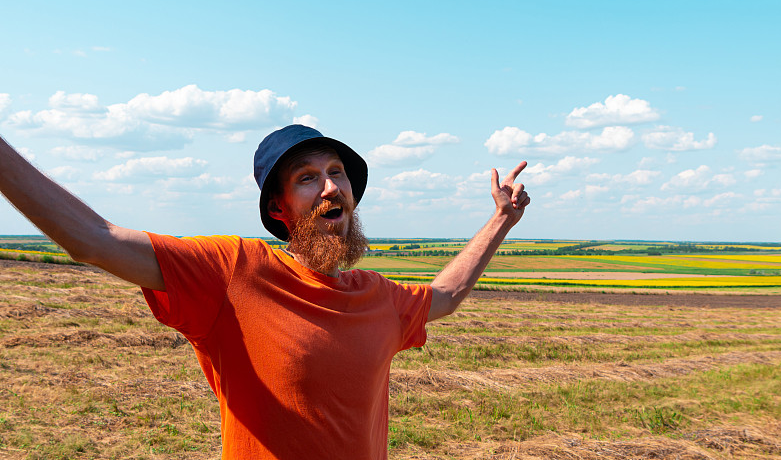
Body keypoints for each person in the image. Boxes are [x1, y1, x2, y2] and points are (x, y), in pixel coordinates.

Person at [0, 123, 530, 459]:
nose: (330, 186)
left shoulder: (377, 296)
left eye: (337, 172)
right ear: (279, 209)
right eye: (306, 177)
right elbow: (94, 241)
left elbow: (445, 295)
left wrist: (501, 221)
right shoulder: (232, 272)